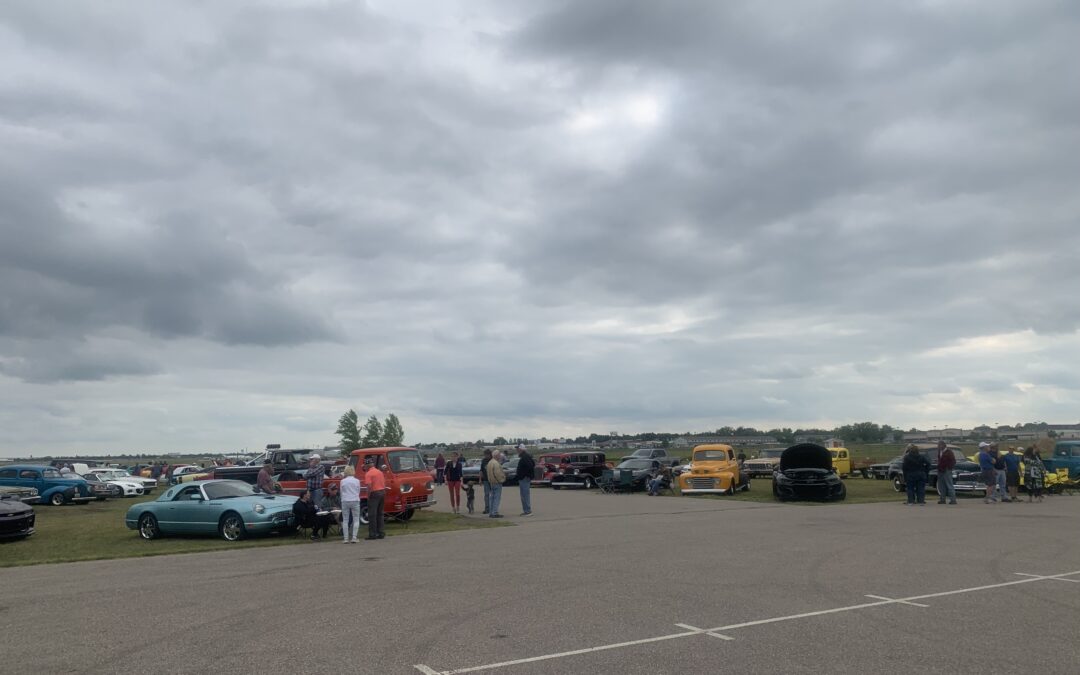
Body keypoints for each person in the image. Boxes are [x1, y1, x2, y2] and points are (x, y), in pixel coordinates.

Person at [363, 457, 386, 540]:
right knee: (380, 514)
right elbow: (383, 482)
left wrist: (368, 495)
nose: (364, 467)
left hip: (374, 493)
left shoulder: (368, 474)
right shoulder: (379, 472)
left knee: (372, 515)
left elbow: (369, 486)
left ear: (367, 465)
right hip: (382, 492)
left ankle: (372, 534)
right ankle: (381, 533)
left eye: (365, 465)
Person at [339, 466, 363, 543]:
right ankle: (354, 537)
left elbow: (341, 492)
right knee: (356, 519)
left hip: (345, 500)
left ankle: (346, 538)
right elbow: (358, 491)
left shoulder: (342, 481)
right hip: (355, 500)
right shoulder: (357, 481)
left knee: (345, 520)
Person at [935, 440, 957, 505]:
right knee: (941, 485)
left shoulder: (949, 452)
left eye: (939, 445)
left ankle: (953, 500)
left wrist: (949, 467)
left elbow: (953, 461)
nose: (938, 446)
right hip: (940, 470)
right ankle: (942, 499)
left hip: (947, 470)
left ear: (943, 445)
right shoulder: (940, 452)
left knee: (949, 485)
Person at [515, 445, 535, 516]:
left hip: (524, 479)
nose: (517, 450)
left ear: (521, 449)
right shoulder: (526, 456)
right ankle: (526, 510)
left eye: (518, 449)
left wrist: (524, 474)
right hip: (524, 478)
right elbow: (533, 464)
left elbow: (530, 466)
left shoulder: (525, 457)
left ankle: (528, 511)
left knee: (524, 495)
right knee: (524, 495)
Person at [485, 451, 506, 518]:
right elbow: (498, 474)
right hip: (497, 483)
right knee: (497, 498)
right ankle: (495, 512)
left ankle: (491, 512)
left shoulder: (490, 462)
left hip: (491, 482)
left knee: (492, 498)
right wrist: (502, 480)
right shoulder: (496, 463)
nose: (500, 456)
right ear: (496, 456)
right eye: (499, 455)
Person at [480, 449, 493, 515]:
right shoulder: (483, 461)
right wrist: (480, 479)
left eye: (486, 455)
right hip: (485, 480)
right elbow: (481, 470)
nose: (485, 456)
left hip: (492, 480)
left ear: (489, 454)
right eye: (484, 455)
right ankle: (487, 508)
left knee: (493, 494)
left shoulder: (492, 460)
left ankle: (492, 508)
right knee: (486, 494)